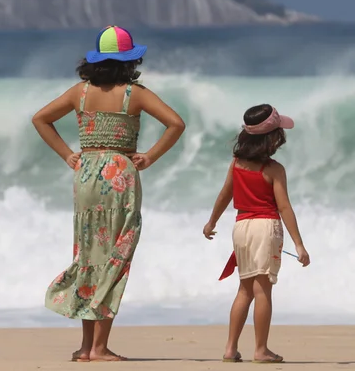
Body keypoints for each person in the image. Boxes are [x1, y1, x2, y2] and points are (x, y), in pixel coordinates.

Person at [32, 25, 185, 362]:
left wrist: (66, 154)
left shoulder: (80, 92)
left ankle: (87, 347)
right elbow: (176, 123)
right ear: (130, 61)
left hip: (85, 174)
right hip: (120, 176)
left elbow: (41, 119)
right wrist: (149, 156)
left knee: (89, 256)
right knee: (115, 258)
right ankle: (99, 348)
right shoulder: (135, 93)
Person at [203, 104, 310, 364]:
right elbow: (284, 207)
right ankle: (261, 350)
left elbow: (225, 194)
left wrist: (211, 222)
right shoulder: (274, 170)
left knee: (244, 290)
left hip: (241, 228)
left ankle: (230, 348)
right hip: (265, 228)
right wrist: (299, 244)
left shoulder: (236, 164)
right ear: (272, 139)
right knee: (263, 291)